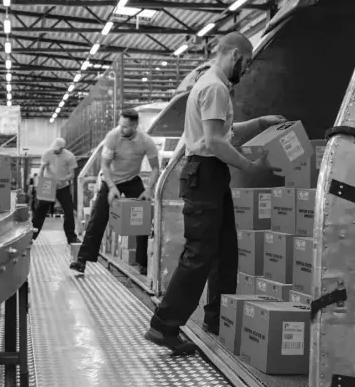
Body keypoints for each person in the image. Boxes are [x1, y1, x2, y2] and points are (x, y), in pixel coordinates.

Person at [144, 32, 287, 355]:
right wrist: (250, 168)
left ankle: (218, 319)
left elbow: (227, 132)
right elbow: (214, 143)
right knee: (200, 255)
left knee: (225, 251)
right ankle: (163, 326)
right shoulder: (214, 87)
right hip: (205, 174)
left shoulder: (214, 86)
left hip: (211, 175)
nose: (246, 70)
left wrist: (261, 122)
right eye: (247, 63)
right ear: (235, 55)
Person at [70, 109, 160, 275]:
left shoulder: (146, 142)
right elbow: (105, 165)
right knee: (98, 219)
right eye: (120, 125)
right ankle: (81, 260)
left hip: (132, 180)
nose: (121, 129)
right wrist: (111, 187)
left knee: (142, 218)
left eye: (125, 127)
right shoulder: (113, 136)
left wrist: (149, 189)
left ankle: (143, 263)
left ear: (135, 125)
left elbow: (155, 168)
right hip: (111, 181)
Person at [32, 138, 79, 244]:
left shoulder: (69, 156)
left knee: (69, 211)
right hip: (48, 184)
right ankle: (31, 236)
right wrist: (41, 181)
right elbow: (42, 169)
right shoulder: (48, 153)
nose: (55, 151)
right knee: (40, 210)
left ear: (62, 148)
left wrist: (61, 180)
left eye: (57, 150)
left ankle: (71, 238)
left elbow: (72, 175)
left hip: (63, 186)